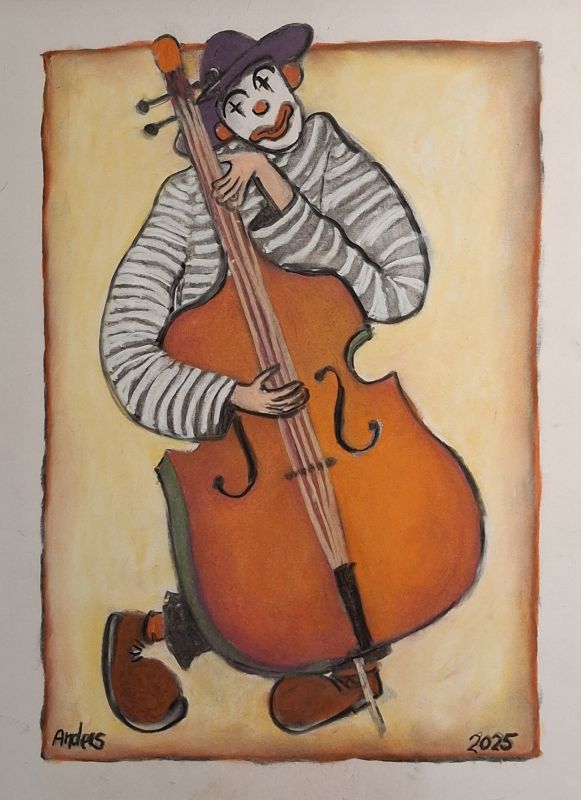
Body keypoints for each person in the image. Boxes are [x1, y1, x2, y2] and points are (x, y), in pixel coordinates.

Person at [100, 23, 430, 735]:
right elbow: (125, 346)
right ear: (217, 126)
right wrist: (228, 394)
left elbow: (400, 289)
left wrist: (282, 198)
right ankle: (152, 628)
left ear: (290, 77)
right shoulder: (185, 203)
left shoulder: (334, 160)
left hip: (343, 421)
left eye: (264, 82)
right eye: (236, 102)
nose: (262, 105)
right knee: (257, 577)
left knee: (398, 533)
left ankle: (339, 660)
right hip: (248, 448)